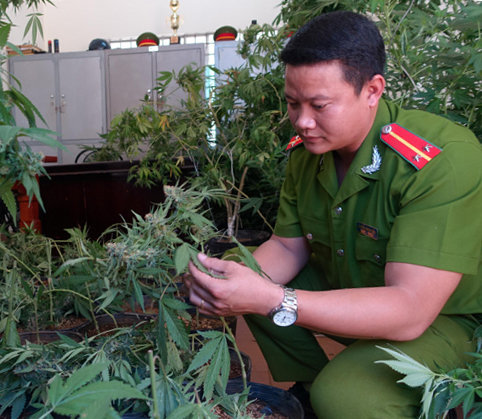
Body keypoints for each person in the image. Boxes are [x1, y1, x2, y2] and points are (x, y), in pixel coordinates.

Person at [185, 10, 482, 419]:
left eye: (320, 105)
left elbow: (412, 309)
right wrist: (220, 280)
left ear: (373, 90)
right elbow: (288, 248)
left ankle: (344, 394)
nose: (303, 121)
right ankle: (310, 385)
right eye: (292, 103)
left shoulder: (440, 162)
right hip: (358, 291)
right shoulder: (309, 154)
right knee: (242, 271)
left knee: (345, 396)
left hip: (443, 320)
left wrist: (274, 298)